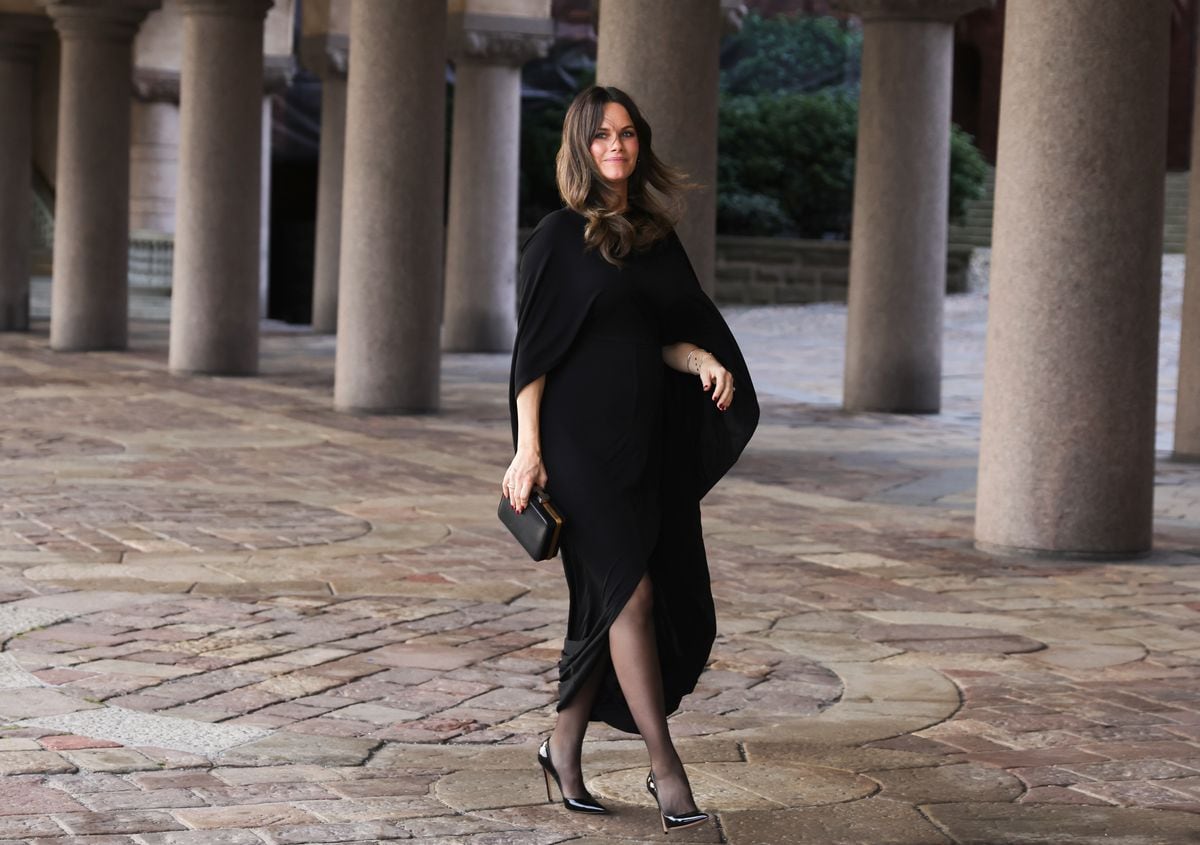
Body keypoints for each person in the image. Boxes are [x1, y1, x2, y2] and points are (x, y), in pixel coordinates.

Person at [502, 85, 758, 834]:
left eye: (627, 134)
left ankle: (562, 747)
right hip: (577, 448)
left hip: (639, 446)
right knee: (632, 595)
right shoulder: (555, 237)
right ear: (580, 148)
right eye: (601, 136)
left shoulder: (652, 235)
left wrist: (702, 359)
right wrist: (528, 451)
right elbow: (532, 359)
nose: (616, 147)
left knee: (608, 602)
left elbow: (660, 336)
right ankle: (667, 770)